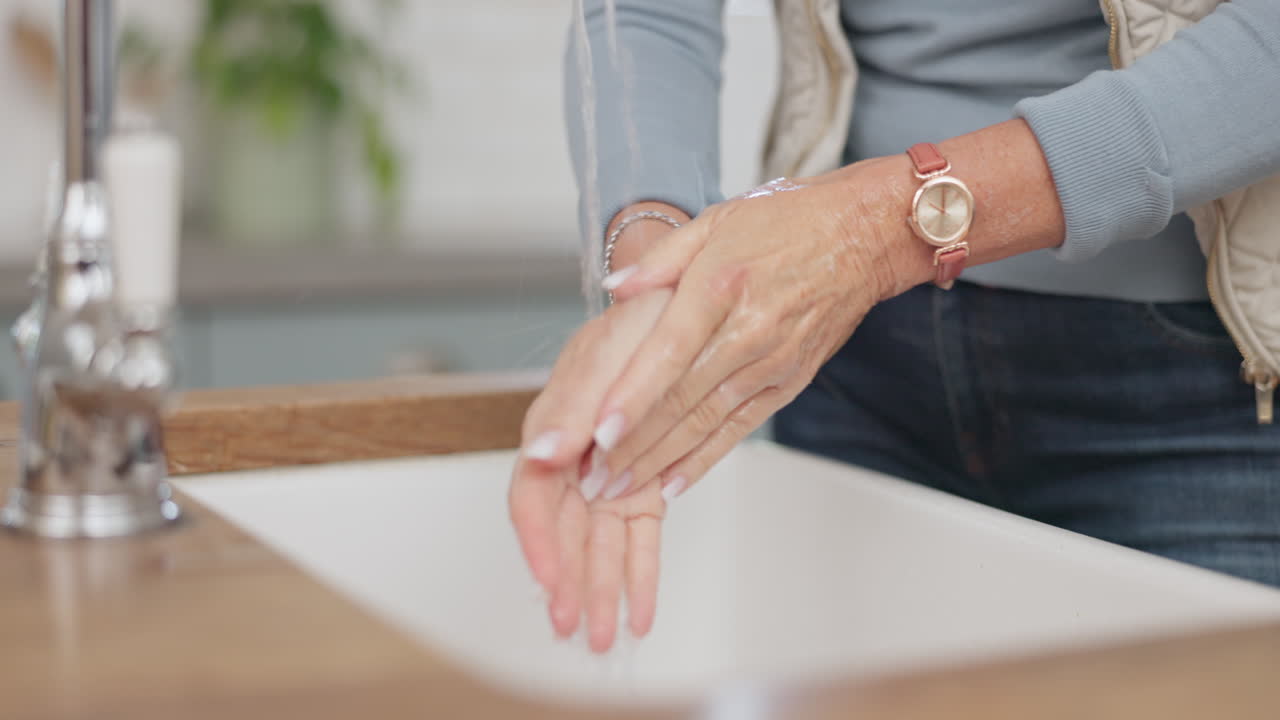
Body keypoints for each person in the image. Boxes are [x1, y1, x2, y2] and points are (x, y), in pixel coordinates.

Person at [509, 0, 1280, 654]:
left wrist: (879, 231)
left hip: (1213, 386)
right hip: (849, 365)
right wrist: (658, 282)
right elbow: (642, 14)